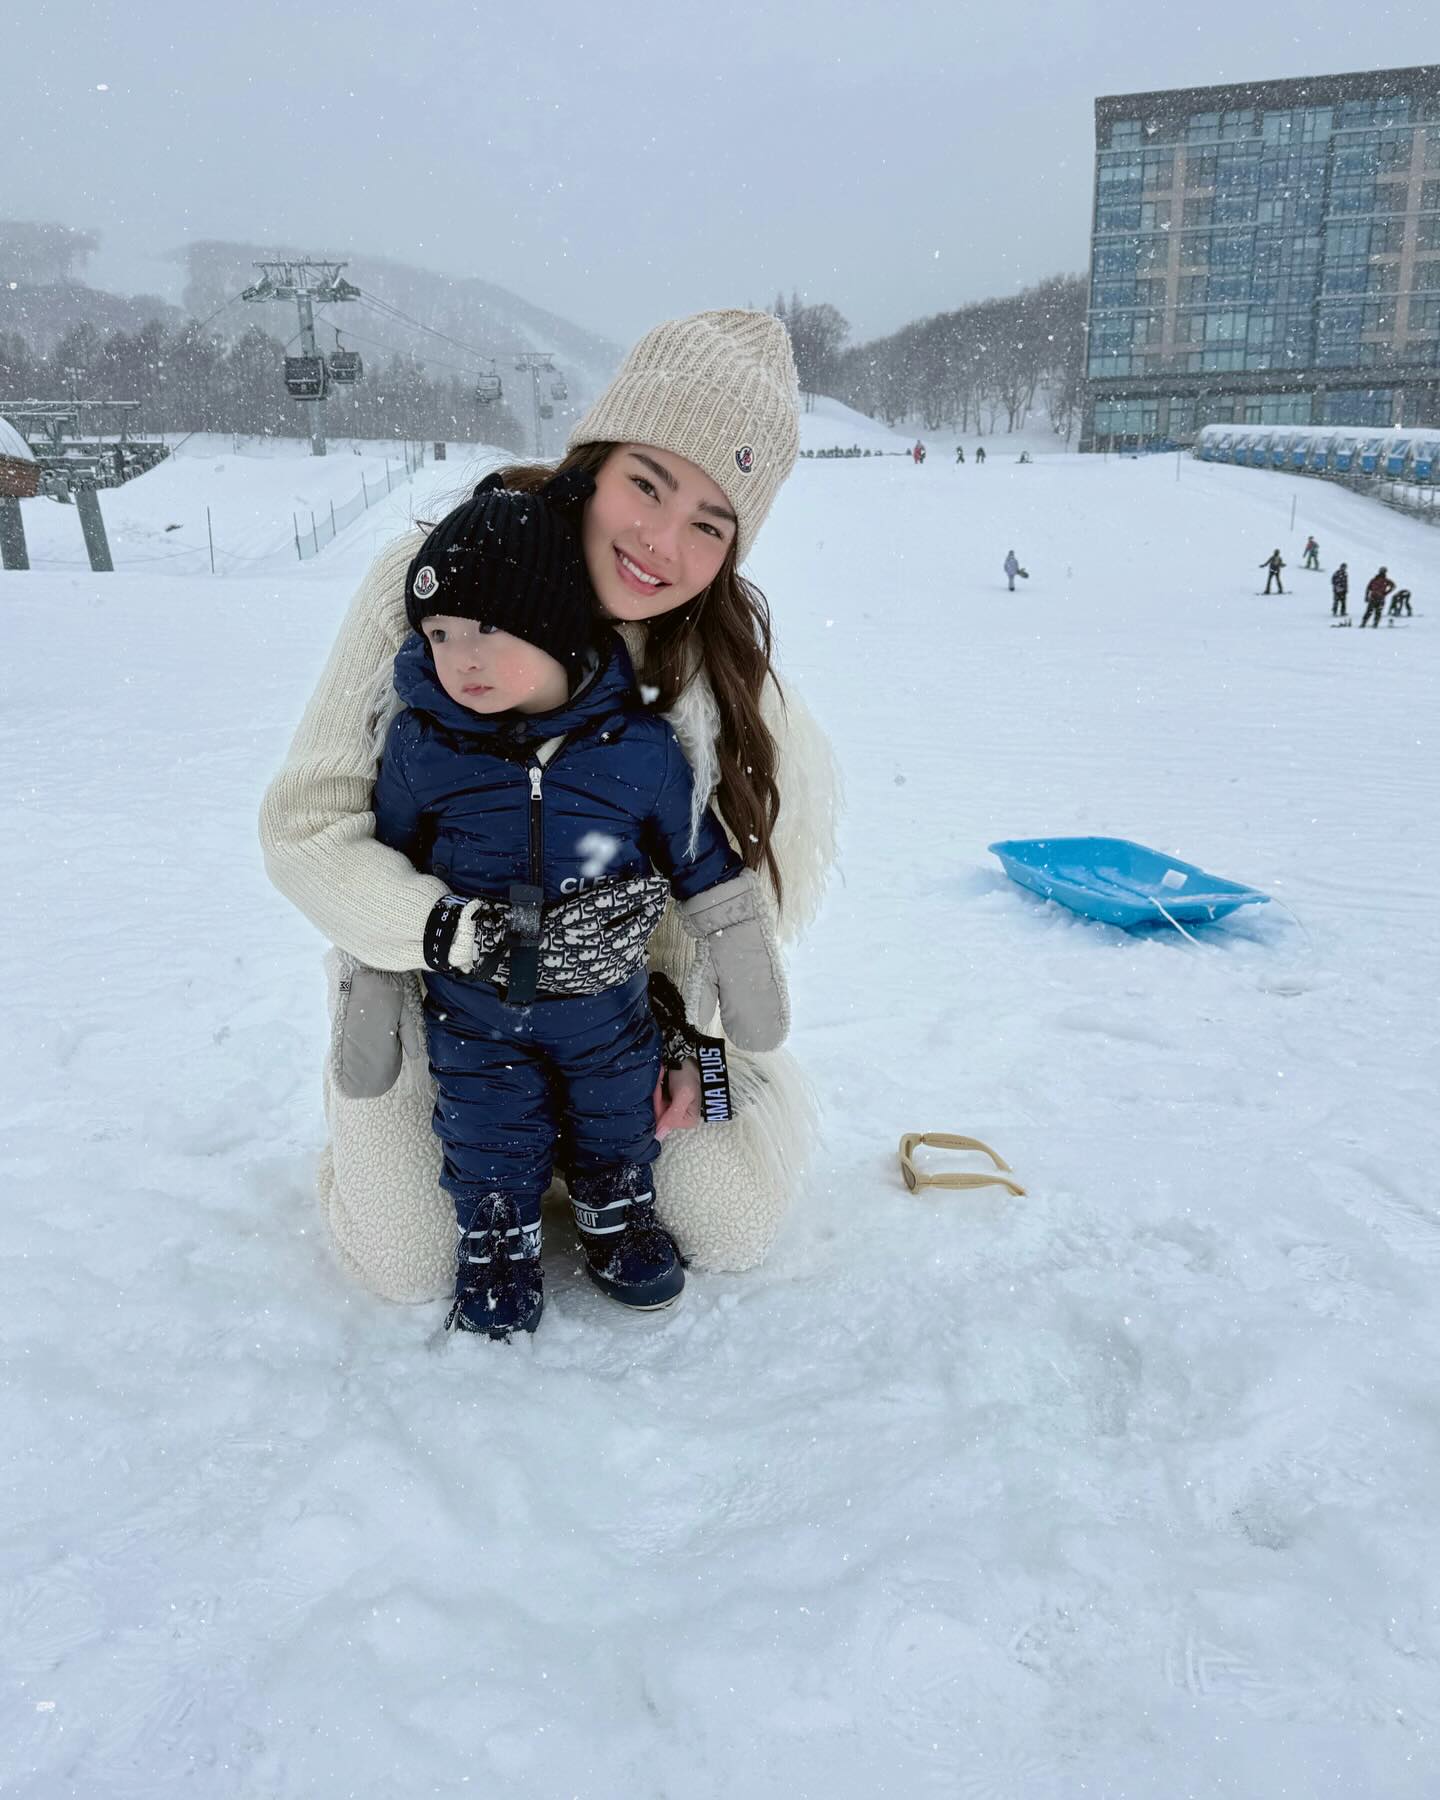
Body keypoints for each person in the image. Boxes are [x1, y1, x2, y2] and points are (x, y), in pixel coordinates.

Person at [259, 310, 838, 1307]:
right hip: (437, 991)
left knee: (731, 1226)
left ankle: (584, 1150)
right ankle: (397, 1124)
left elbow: (720, 892)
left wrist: (689, 1041)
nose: (662, 540)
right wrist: (450, 936)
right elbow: (306, 828)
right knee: (407, 1264)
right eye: (646, 484)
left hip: (621, 1012)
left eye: (710, 521)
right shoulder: (432, 580)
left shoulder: (709, 665)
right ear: (591, 463)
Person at [370, 475, 787, 1337]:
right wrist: (372, 998)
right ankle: (497, 1230)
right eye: (440, 634)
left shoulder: (639, 751)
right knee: (486, 1123)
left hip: (609, 1008)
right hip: (473, 1012)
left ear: (558, 630)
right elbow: (386, 870)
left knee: (617, 1107)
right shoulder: (421, 748)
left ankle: (616, 1200)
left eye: (488, 628)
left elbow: (700, 864)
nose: (463, 658)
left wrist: (724, 1009)